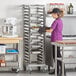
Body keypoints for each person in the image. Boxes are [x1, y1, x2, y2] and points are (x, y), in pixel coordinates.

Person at [46, 8, 66, 76]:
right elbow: (52, 29)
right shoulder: (60, 20)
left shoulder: (56, 21)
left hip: (56, 40)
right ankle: (57, 71)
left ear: (56, 14)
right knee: (56, 56)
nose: (52, 15)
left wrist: (42, 30)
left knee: (58, 56)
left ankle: (63, 71)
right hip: (58, 39)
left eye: (52, 14)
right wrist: (46, 28)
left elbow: (50, 30)